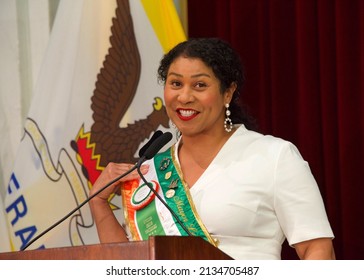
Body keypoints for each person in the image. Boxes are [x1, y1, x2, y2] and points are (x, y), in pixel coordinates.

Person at [89, 37, 335, 260]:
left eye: (199, 85)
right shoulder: (149, 172)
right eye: (175, 83)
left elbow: (317, 249)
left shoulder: (274, 156)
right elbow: (129, 264)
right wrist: (98, 203)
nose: (184, 97)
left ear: (227, 93)